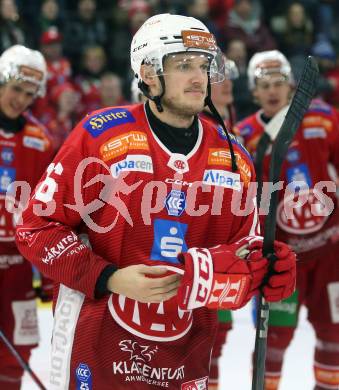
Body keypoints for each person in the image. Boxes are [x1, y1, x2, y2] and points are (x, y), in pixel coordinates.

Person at [15, 15, 296, 389]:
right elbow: (36, 228)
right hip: (97, 344)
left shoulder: (234, 157)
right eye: (183, 65)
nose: (199, 77)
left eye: (203, 65)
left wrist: (268, 268)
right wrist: (109, 277)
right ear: (148, 73)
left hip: (184, 355)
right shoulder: (100, 136)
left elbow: (245, 248)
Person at [234, 50, 339, 390]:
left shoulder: (323, 119)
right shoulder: (244, 136)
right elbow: (242, 200)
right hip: (281, 259)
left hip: (331, 255)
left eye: (278, 82)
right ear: (253, 92)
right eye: (264, 85)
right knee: (274, 339)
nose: (272, 90)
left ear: (292, 84)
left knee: (334, 332)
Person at [0, 44, 54, 390]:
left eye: (29, 93)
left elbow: (48, 210)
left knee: (17, 350)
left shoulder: (41, 140)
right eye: (16, 88)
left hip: (18, 266)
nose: (20, 99)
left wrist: (49, 273)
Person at [199, 56, 237, 390]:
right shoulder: (200, 127)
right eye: (220, 80)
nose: (227, 86)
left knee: (217, 338)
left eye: (229, 81)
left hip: (224, 253)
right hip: (198, 250)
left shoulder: (235, 129)